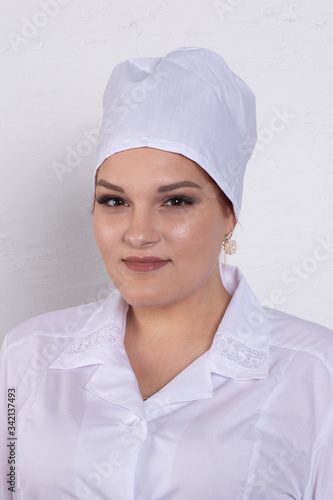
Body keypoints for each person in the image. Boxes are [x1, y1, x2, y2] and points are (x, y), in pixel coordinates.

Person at [0, 47, 332, 500]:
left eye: (175, 201)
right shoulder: (26, 357)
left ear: (229, 213)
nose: (138, 234)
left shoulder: (316, 373)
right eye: (114, 201)